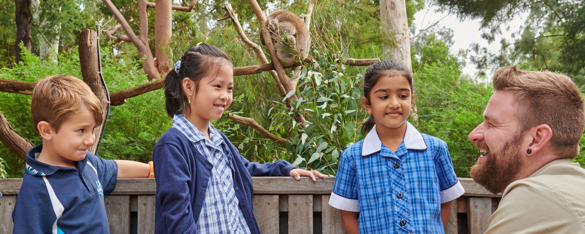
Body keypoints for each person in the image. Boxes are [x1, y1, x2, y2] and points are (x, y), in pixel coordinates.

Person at [153, 43, 326, 234]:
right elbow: (178, 220)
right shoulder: (173, 146)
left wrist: (286, 169)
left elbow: (244, 169)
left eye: (230, 89)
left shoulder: (218, 140)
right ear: (189, 86)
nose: (225, 96)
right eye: (217, 86)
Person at [328, 60, 465, 233]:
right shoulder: (352, 158)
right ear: (367, 105)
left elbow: (445, 202)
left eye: (403, 96)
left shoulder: (436, 150)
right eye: (384, 97)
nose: (394, 103)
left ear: (412, 99)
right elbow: (348, 216)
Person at [12, 75, 152, 234]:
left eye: (92, 130)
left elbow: (116, 168)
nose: (91, 139)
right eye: (81, 131)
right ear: (46, 130)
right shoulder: (38, 189)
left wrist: (152, 170)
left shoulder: (87, 163)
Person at [468, 66, 585, 233]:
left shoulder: (537, 196)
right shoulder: (575, 187)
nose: (473, 135)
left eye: (492, 124)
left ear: (536, 139)